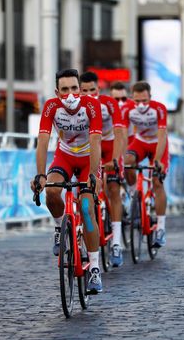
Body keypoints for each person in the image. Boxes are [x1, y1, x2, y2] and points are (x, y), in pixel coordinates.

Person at [30, 68, 103, 294]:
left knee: (86, 206)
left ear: (80, 89)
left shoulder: (91, 105)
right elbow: (42, 142)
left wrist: (93, 175)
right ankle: (60, 225)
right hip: (65, 156)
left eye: (74, 88)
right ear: (56, 92)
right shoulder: (51, 107)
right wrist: (41, 174)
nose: (70, 94)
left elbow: (96, 141)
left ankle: (94, 269)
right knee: (52, 192)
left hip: (88, 159)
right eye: (65, 90)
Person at [80, 71, 125, 267]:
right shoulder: (77, 106)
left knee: (113, 189)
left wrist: (115, 159)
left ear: (99, 89)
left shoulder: (109, 103)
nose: (90, 94)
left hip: (110, 145)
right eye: (85, 91)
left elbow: (120, 132)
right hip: (91, 149)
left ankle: (116, 242)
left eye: (93, 90)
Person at [123, 81, 169, 248]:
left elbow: (163, 136)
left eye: (145, 101)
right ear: (131, 99)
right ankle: (134, 193)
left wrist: (157, 160)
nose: (141, 105)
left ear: (151, 97)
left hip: (158, 144)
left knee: (157, 182)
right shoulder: (127, 109)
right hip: (140, 142)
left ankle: (161, 228)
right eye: (137, 101)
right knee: (125, 162)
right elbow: (121, 134)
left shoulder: (159, 108)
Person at [110, 82, 135, 146]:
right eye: (117, 99)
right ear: (110, 98)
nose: (120, 103)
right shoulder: (104, 107)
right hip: (111, 140)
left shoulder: (134, 106)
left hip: (130, 139)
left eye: (123, 99)